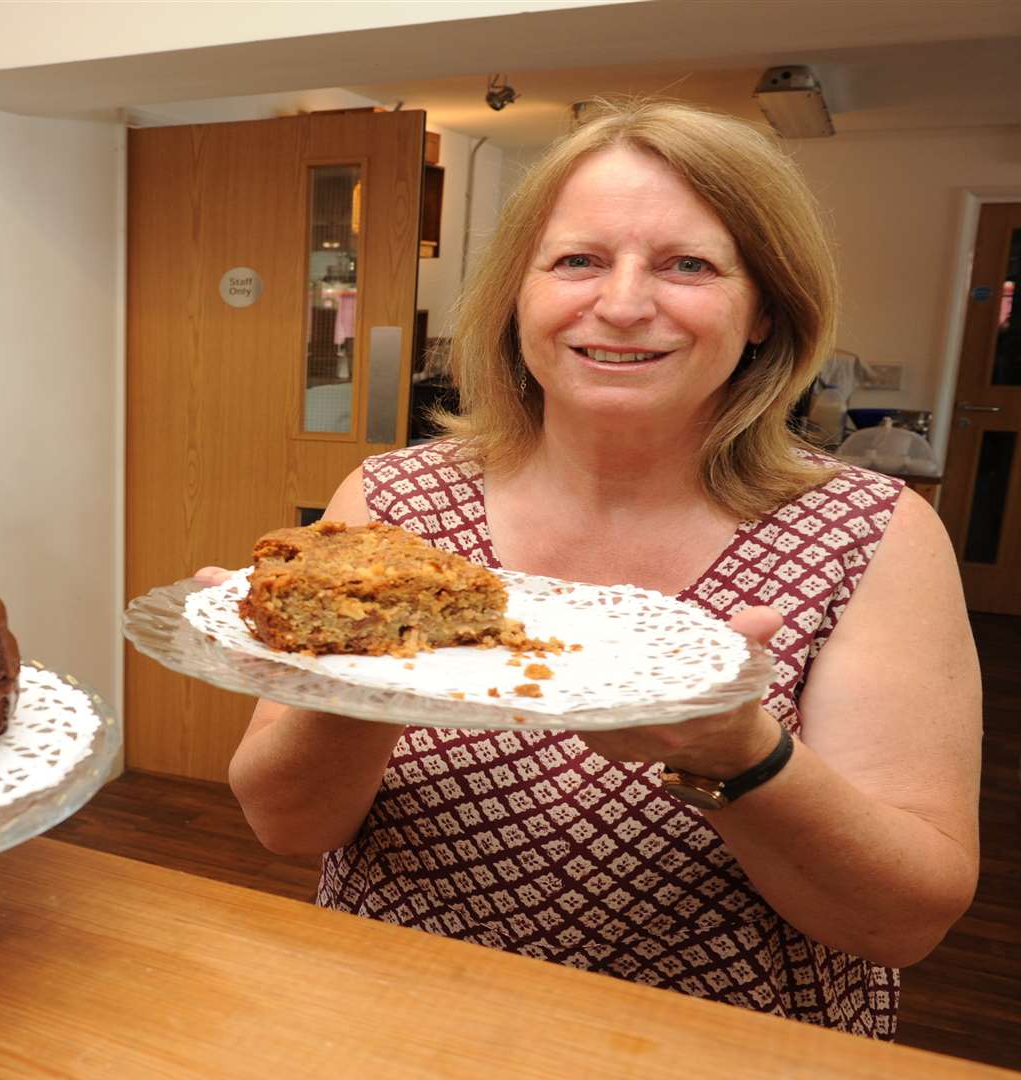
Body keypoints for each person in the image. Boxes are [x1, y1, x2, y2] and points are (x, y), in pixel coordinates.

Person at [217, 100, 981, 1038]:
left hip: (719, 1050)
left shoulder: (869, 533)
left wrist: (738, 757)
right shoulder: (394, 505)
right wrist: (352, 665)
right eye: (577, 260)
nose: (621, 304)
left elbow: (904, 920)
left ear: (764, 312)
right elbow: (287, 829)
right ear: (518, 295)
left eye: (688, 265)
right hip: (401, 1026)